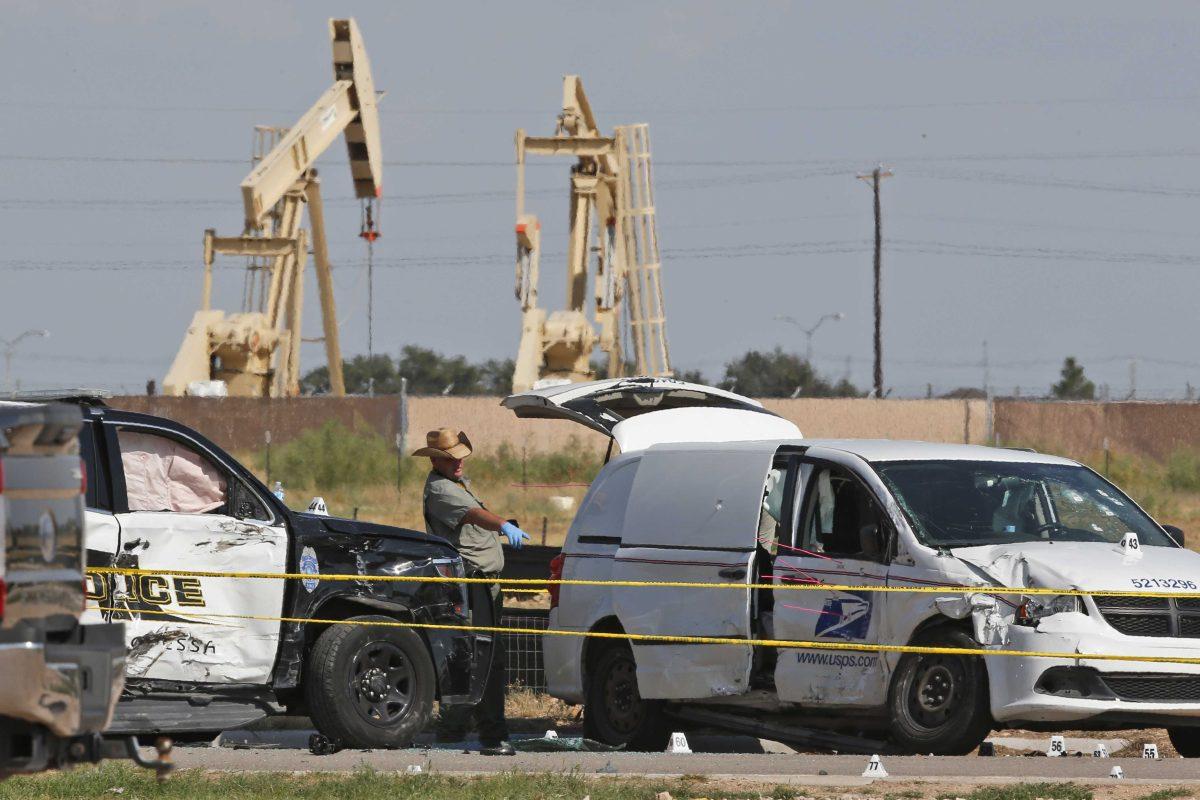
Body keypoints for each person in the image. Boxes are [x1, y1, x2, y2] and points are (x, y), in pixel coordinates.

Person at [414, 427, 530, 756]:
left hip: (482, 581)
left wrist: (501, 524)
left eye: (461, 457)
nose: (459, 463)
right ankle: (493, 735)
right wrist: (502, 525)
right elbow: (473, 515)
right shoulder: (440, 489)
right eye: (452, 459)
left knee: (473, 658)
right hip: (472, 583)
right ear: (436, 461)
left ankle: (453, 729)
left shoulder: (455, 482)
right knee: (486, 659)